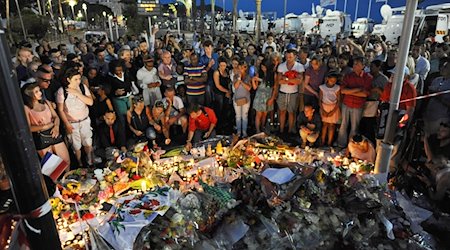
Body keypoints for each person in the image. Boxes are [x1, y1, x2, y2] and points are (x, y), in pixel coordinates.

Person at [22, 83, 70, 166]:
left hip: (54, 133)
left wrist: (56, 126)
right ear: (29, 94)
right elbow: (28, 127)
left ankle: (67, 178)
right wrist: (46, 126)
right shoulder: (26, 108)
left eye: (39, 90)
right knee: (52, 167)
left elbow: (56, 117)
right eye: (36, 92)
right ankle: (57, 179)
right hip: (41, 137)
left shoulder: (46, 102)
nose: (40, 93)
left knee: (66, 161)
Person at [379, 67, 417, 173]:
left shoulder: (410, 88)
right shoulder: (389, 85)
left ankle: (391, 169)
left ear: (404, 76)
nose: (393, 77)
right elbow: (384, 100)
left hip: (400, 117)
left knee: (396, 144)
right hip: (387, 116)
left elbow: (410, 109)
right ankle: (379, 163)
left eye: (395, 75)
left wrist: (403, 123)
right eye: (392, 75)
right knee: (382, 140)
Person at [56, 68, 94, 168]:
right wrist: (66, 124)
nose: (78, 81)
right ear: (68, 79)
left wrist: (77, 93)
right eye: (75, 79)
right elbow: (60, 110)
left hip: (85, 120)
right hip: (72, 122)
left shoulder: (82, 87)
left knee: (88, 141)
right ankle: (79, 163)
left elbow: (90, 102)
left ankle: (90, 161)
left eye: (79, 79)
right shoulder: (62, 91)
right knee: (76, 145)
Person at [337, 57, 372, 148]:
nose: (354, 65)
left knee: (354, 127)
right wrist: (358, 89)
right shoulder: (348, 76)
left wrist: (350, 91)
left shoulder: (368, 78)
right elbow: (343, 91)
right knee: (343, 125)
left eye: (357, 64)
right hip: (346, 103)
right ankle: (340, 144)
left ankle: (351, 146)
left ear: (363, 66)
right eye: (354, 63)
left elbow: (365, 94)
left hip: (358, 105)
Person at [276, 49, 304, 134]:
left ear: (295, 57)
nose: (288, 58)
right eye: (287, 56)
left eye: (290, 57)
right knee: (282, 112)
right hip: (282, 92)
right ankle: (281, 130)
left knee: (291, 112)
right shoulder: (281, 66)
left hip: (294, 93)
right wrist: (293, 80)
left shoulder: (299, 66)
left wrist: (286, 79)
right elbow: (279, 81)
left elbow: (299, 81)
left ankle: (290, 131)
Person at [361, 60, 389, 143]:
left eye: (372, 67)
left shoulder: (384, 79)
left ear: (378, 67)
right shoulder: (368, 76)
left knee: (370, 126)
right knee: (363, 125)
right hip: (365, 102)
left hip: (375, 104)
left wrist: (377, 90)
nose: (370, 69)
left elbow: (385, 94)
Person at [252, 59, 276, 134]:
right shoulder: (259, 73)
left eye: (264, 67)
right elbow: (255, 87)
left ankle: (262, 127)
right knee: (258, 114)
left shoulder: (273, 75)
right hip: (259, 96)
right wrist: (253, 80)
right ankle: (257, 130)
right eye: (262, 67)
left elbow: (275, 88)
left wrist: (272, 98)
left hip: (268, 96)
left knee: (265, 114)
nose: (263, 69)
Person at [319, 71, 341, 147]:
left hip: (333, 107)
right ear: (328, 79)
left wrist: (333, 111)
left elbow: (338, 100)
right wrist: (322, 110)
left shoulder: (337, 87)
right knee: (325, 125)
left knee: (332, 126)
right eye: (332, 80)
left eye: (334, 81)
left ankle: (329, 142)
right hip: (324, 106)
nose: (333, 82)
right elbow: (320, 99)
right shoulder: (322, 87)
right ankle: (322, 141)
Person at [108, 60, 133, 126]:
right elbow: (108, 91)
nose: (119, 72)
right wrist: (115, 93)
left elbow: (131, 83)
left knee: (131, 116)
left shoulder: (126, 73)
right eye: (116, 70)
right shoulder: (110, 78)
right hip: (118, 100)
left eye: (120, 70)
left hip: (129, 97)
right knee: (122, 118)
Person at [232, 60, 252, 137]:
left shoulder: (248, 76)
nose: (240, 70)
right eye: (239, 68)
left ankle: (244, 132)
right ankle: (238, 132)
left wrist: (242, 82)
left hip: (246, 99)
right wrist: (239, 79)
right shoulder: (235, 76)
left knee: (244, 116)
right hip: (237, 99)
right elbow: (235, 86)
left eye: (242, 68)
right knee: (238, 116)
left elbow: (249, 88)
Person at [212, 56, 232, 133]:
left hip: (226, 93)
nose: (223, 67)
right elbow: (217, 85)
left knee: (226, 110)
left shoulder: (227, 71)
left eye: (224, 65)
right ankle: (218, 128)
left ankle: (225, 126)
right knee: (219, 110)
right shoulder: (216, 72)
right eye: (221, 65)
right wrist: (227, 91)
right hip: (219, 93)